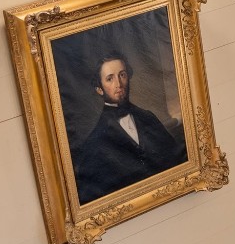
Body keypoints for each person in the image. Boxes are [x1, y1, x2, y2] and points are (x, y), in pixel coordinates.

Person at [70, 52, 187, 204]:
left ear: (128, 78)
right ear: (99, 89)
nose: (118, 84)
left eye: (122, 75)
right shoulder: (95, 142)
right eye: (110, 78)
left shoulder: (148, 117)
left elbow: (176, 157)